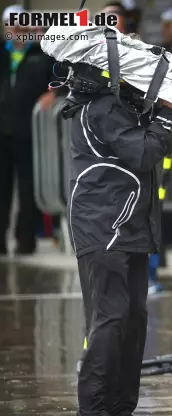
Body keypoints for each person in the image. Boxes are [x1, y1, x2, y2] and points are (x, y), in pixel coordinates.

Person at [62, 76, 172, 416]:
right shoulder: (101, 106)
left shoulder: (120, 105)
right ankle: (92, 412)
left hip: (128, 225)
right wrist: (166, 117)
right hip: (102, 227)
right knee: (111, 317)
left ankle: (119, 408)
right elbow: (143, 153)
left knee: (134, 318)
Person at [0, 4, 57, 255]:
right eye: (12, 26)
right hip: (2, 131)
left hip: (28, 132)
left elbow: (62, 78)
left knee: (28, 188)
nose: (16, 31)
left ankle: (25, 240)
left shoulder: (41, 54)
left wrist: (52, 93)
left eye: (21, 26)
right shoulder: (2, 54)